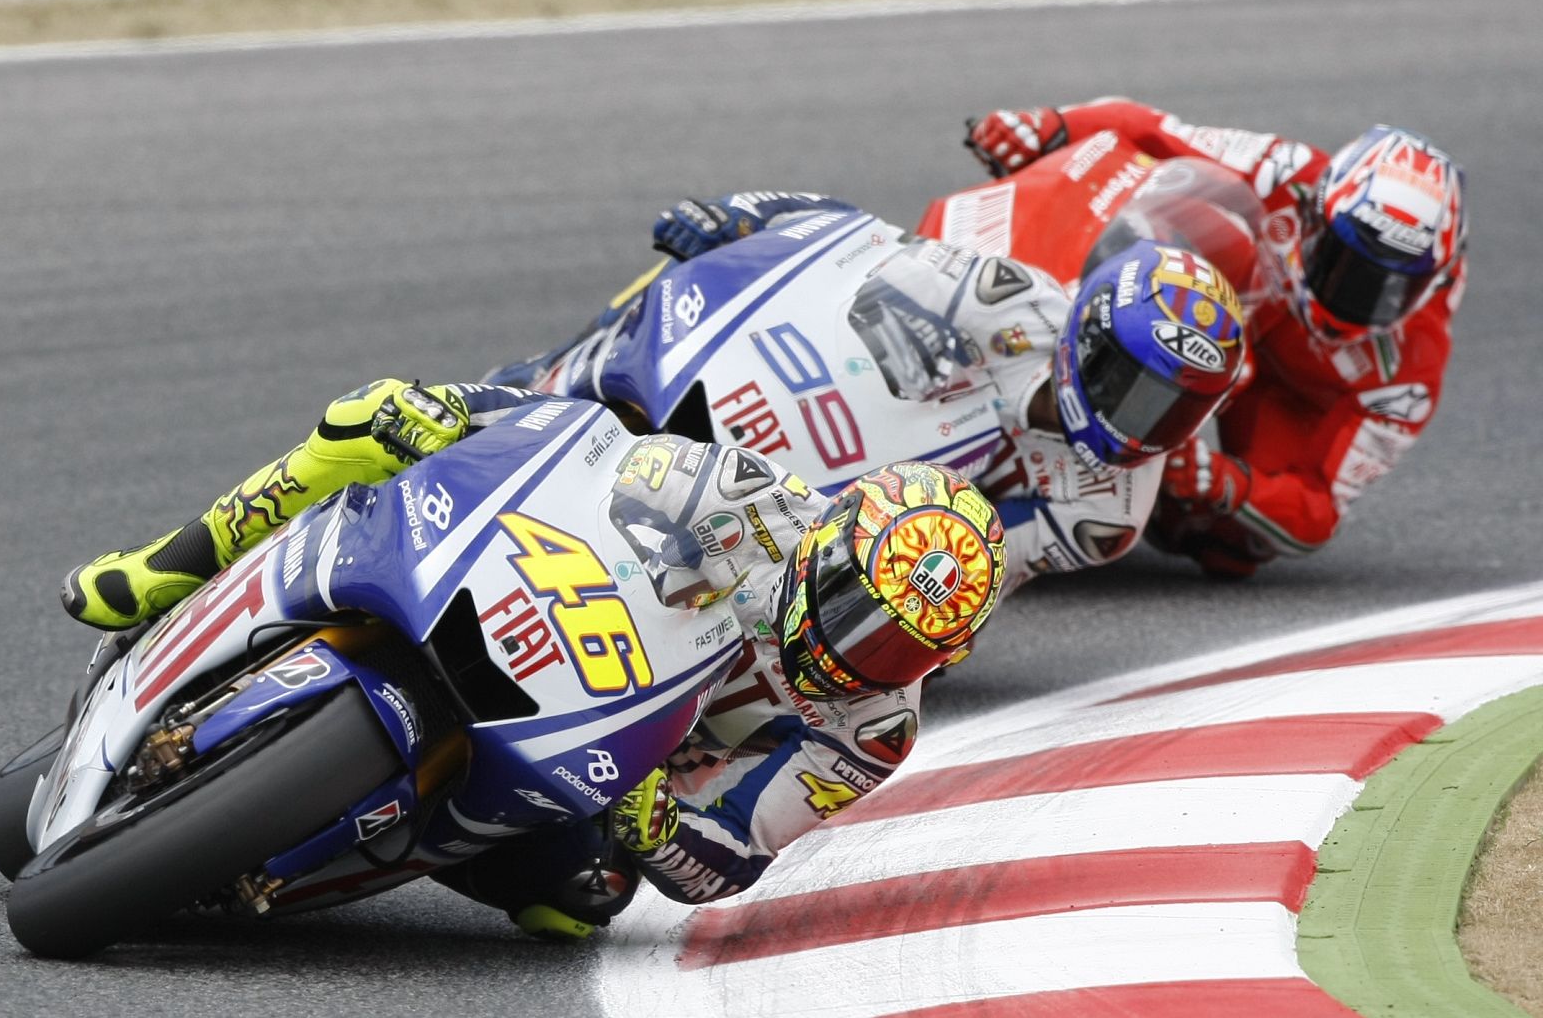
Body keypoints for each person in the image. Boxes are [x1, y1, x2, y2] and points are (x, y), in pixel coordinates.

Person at [60, 378, 1007, 937]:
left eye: (894, 647)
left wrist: (657, 819)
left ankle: (324, 852)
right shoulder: (751, 499)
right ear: (831, 546)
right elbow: (577, 451)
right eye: (854, 611)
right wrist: (463, 411)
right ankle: (165, 567)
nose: (854, 649)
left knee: (581, 903)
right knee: (374, 417)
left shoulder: (874, 731)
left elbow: (727, 863)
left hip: (601, 767)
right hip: (559, 616)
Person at [492, 192, 1248, 596]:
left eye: (1177, 408)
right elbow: (858, 243)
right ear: (1087, 337)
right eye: (1137, 390)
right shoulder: (1010, 297)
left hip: (893, 499)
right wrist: (752, 217)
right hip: (821, 399)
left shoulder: (1109, 512)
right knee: (669, 296)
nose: (1141, 424)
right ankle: (538, 382)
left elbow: (979, 557)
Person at [965, 100, 1468, 576]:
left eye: (1393, 285)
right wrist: (1049, 126)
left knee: (1229, 544)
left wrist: (1225, 482)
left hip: (1289, 394)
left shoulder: (1411, 372)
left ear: (1437, 279)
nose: (1355, 296)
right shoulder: (1286, 170)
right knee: (1179, 212)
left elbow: (1320, 507)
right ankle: (1042, 324)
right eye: (1343, 261)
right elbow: (1150, 127)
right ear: (1317, 210)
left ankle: (1136, 497)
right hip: (1225, 305)